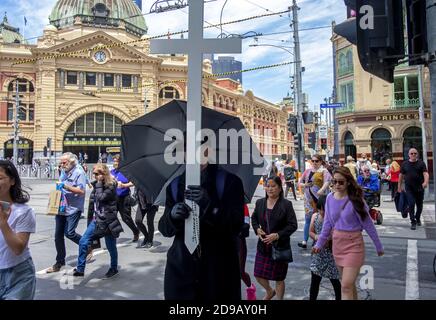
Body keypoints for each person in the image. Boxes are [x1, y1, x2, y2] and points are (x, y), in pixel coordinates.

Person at [158, 161, 245, 301]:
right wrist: (172, 216)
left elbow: (236, 224)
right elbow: (165, 229)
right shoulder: (174, 185)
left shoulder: (229, 181)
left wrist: (210, 206)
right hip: (181, 273)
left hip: (218, 273)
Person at [312, 167, 384, 300]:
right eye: (334, 182)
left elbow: (368, 224)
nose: (337, 185)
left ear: (348, 182)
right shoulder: (329, 198)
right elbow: (327, 223)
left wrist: (378, 246)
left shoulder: (356, 200)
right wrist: (319, 243)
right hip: (337, 245)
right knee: (348, 286)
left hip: (354, 245)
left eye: (341, 182)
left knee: (345, 286)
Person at [251, 176, 298, 300]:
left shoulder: (286, 204)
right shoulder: (260, 202)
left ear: (279, 188)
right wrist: (257, 229)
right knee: (258, 274)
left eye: (273, 186)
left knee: (279, 278)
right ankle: (269, 291)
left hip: (280, 247)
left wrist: (277, 235)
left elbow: (293, 225)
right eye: (268, 186)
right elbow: (254, 218)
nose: (270, 189)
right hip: (263, 245)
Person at [73, 164, 123, 278]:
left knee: (111, 247)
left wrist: (99, 183)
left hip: (108, 222)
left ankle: (114, 268)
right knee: (83, 241)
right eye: (94, 173)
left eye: (97, 173)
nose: (95, 176)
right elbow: (93, 204)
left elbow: (101, 197)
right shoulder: (96, 185)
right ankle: (80, 269)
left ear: (104, 174)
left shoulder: (111, 185)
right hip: (96, 220)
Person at [0, 160, 36, 300]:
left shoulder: (24, 212)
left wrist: (3, 223)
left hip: (18, 276)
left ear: (12, 181)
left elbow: (18, 248)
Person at [47, 153, 86, 273]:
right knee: (58, 236)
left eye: (64, 162)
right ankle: (59, 262)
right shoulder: (64, 172)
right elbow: (61, 185)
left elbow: (82, 191)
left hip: (74, 208)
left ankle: (86, 245)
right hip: (62, 207)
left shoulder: (79, 173)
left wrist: (67, 187)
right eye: (61, 162)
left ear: (72, 162)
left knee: (69, 233)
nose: (62, 165)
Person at [309, 195, 341, 301]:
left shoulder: (334, 219)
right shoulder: (315, 216)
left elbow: (338, 234)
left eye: (325, 209)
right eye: (320, 209)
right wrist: (317, 237)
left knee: (335, 280)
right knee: (315, 281)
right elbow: (310, 232)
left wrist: (329, 239)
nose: (322, 211)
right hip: (317, 253)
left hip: (330, 254)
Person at [297, 154, 332, 249]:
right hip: (308, 199)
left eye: (317, 161)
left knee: (319, 220)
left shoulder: (324, 171)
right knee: (308, 219)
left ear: (321, 162)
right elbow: (299, 182)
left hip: (319, 199)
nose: (314, 163)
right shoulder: (308, 171)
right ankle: (304, 241)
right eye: (313, 161)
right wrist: (305, 185)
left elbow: (327, 182)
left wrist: (322, 190)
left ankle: (318, 240)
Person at [398, 148, 429, 230]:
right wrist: (399, 187)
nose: (413, 155)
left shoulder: (421, 163)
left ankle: (417, 217)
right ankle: (413, 221)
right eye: (411, 153)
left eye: (415, 153)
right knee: (411, 204)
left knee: (419, 205)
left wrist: (425, 182)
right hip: (409, 188)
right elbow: (401, 176)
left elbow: (425, 173)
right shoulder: (404, 164)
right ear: (408, 155)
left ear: (417, 154)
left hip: (419, 188)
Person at [111, 155, 140, 242]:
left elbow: (134, 182)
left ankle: (136, 231)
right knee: (112, 217)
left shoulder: (126, 171)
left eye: (116, 161)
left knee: (126, 218)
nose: (115, 163)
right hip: (113, 198)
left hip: (124, 198)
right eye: (114, 161)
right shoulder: (112, 172)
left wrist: (124, 185)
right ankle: (114, 235)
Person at [239, 203, 256, 300]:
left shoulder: (243, 205)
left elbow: (246, 226)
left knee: (240, 272)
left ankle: (250, 289)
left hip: (239, 242)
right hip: (224, 243)